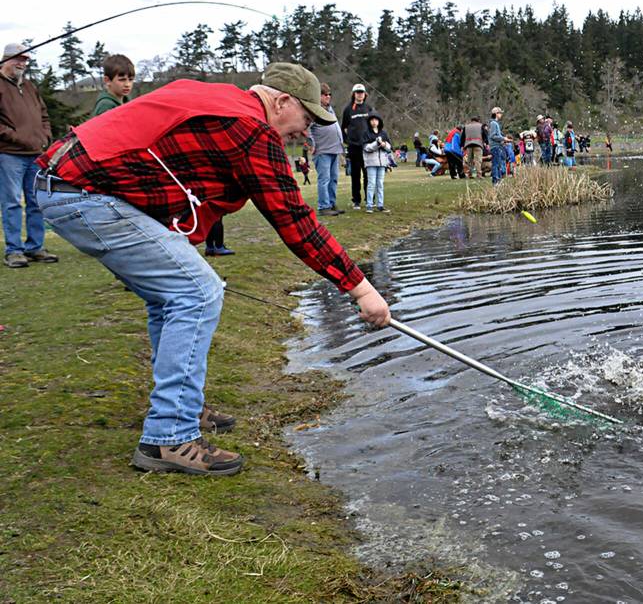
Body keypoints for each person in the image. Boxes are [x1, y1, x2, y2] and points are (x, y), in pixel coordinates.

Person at [34, 62, 391, 476]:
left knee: (170, 296)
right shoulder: (249, 128)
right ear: (281, 101)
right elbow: (295, 222)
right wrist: (362, 290)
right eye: (306, 118)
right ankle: (169, 437)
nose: (306, 131)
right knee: (197, 292)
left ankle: (182, 407)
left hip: (64, 183)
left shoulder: (222, 100)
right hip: (82, 193)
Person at [1, 43, 56, 268]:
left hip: (35, 154)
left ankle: (35, 247)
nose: (22, 63)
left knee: (36, 202)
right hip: (9, 154)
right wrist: (17, 138)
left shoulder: (30, 86)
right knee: (12, 202)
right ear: (6, 60)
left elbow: (43, 114)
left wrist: (46, 134)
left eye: (26, 60)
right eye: (18, 59)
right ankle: (13, 251)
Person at [310, 82, 345, 216]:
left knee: (333, 178)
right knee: (324, 179)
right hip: (322, 150)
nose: (328, 97)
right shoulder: (313, 110)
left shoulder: (330, 109)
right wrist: (311, 143)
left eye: (329, 94)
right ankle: (323, 206)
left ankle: (331, 203)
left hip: (335, 150)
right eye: (325, 94)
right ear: (318, 96)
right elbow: (307, 129)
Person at [341, 83, 371, 210]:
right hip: (354, 147)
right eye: (357, 92)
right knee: (355, 175)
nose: (360, 94)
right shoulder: (348, 109)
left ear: (365, 94)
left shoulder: (369, 108)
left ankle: (369, 199)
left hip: (367, 147)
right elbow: (343, 128)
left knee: (368, 174)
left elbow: (374, 125)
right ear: (354, 94)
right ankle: (356, 200)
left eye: (362, 92)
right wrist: (348, 141)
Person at [362, 110, 392, 212]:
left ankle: (380, 205)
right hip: (371, 163)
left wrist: (384, 144)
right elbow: (366, 148)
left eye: (376, 120)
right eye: (372, 120)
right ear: (369, 122)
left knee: (380, 184)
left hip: (382, 163)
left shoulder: (383, 133)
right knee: (371, 184)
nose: (374, 122)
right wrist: (376, 143)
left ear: (379, 121)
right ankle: (369, 205)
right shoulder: (366, 133)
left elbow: (389, 147)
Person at [489, 107, 510, 185]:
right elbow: (493, 136)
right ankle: (496, 181)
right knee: (496, 164)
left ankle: (498, 180)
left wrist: (503, 140)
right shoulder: (493, 123)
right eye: (500, 113)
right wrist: (503, 138)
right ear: (496, 114)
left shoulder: (495, 123)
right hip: (495, 147)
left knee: (498, 164)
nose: (501, 114)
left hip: (498, 146)